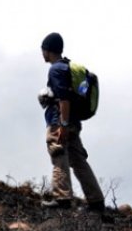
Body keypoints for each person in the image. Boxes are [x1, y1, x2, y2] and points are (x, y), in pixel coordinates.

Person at [39, 32, 104, 212]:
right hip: (73, 122)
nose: (42, 54)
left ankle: (62, 199)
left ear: (48, 50)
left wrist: (63, 125)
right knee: (78, 160)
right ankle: (96, 202)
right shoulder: (67, 67)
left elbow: (64, 99)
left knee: (58, 154)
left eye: (43, 50)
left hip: (59, 121)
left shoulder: (56, 69)